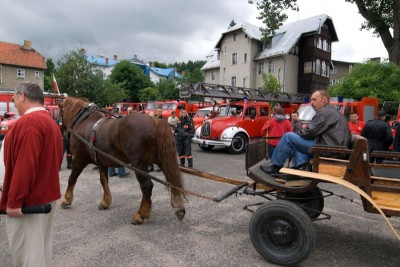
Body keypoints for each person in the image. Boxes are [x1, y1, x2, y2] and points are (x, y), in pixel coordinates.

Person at [0, 82, 63, 266]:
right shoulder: (50, 123)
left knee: (28, 256)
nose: (14, 103)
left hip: (29, 203)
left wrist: (14, 202)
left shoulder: (29, 123)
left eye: (14, 99)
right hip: (44, 197)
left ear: (22, 96)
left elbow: (25, 166)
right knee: (40, 251)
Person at [261, 89, 351, 175]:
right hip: (335, 150)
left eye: (314, 100)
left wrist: (297, 132)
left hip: (328, 150)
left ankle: (276, 167)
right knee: (297, 140)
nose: (312, 103)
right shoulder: (333, 111)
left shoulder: (325, 112)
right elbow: (311, 132)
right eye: (311, 100)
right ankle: (300, 166)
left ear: (324, 100)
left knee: (289, 137)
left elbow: (309, 132)